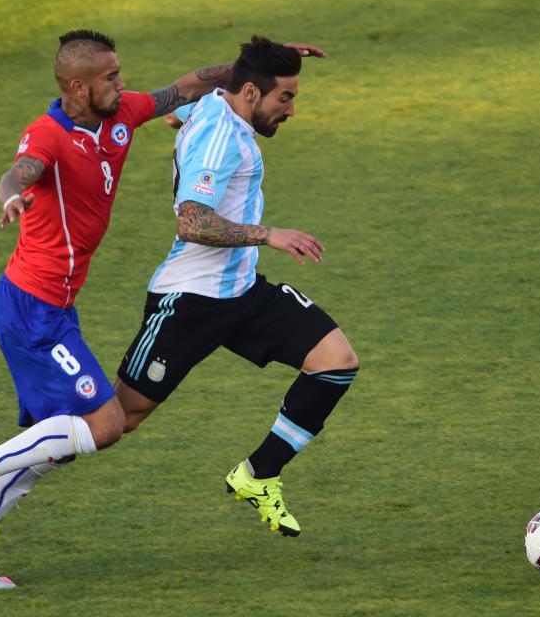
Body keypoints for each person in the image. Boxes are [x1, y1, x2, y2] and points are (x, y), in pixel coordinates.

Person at [0, 29, 323, 590]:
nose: (122, 83)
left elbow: (189, 86)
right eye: (111, 77)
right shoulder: (48, 134)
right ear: (78, 87)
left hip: (58, 308)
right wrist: (11, 195)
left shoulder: (120, 116)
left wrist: (262, 62)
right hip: (31, 308)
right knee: (105, 424)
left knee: (64, 436)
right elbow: (21, 170)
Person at [114, 35, 359, 538]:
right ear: (250, 92)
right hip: (191, 300)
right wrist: (269, 234)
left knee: (336, 361)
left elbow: (178, 104)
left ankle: (258, 474)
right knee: (116, 421)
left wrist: (259, 60)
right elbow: (192, 221)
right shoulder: (220, 137)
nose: (291, 110)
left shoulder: (213, 103)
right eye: (284, 97)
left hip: (241, 292)